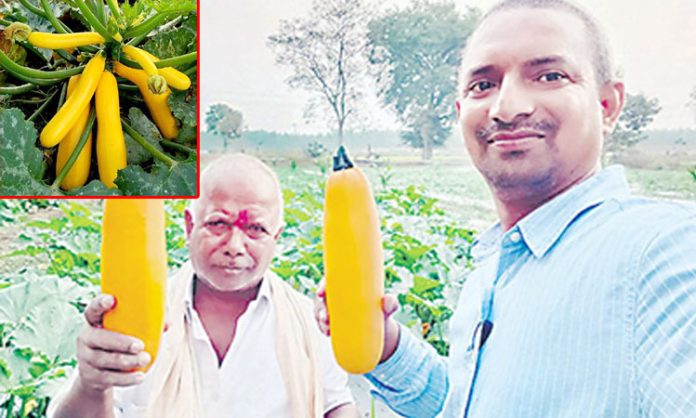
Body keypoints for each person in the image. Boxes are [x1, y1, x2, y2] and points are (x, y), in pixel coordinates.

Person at [315, 0, 696, 417]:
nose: (507, 108)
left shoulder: (666, 254)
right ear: (462, 112)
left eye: (550, 76)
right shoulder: (493, 268)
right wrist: (387, 345)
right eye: (483, 86)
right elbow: (467, 403)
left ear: (607, 105)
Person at [49, 154, 359, 418]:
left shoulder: (312, 322)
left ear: (275, 238)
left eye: (255, 229)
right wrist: (92, 384)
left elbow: (337, 404)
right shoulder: (129, 320)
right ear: (189, 226)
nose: (235, 246)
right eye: (218, 223)